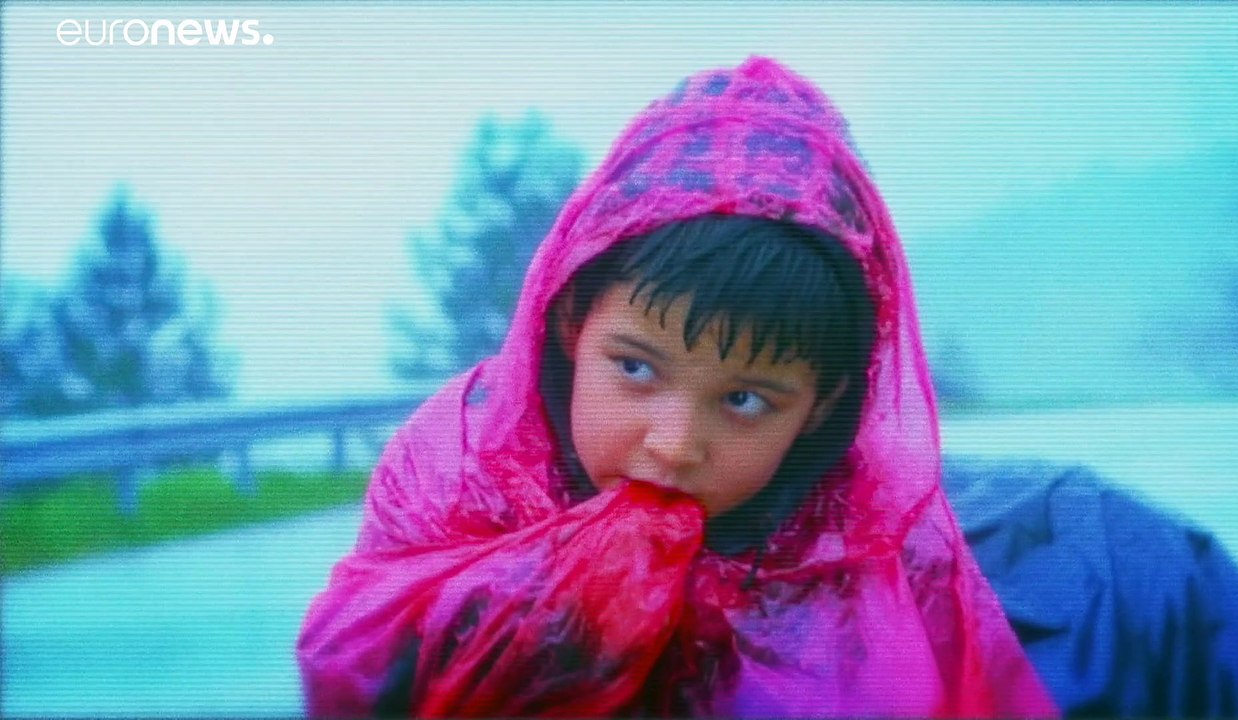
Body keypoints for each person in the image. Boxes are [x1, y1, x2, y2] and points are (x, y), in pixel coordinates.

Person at [296, 55, 1060, 718]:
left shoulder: (860, 543)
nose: (674, 445)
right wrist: (548, 611)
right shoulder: (459, 467)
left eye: (744, 400)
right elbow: (355, 663)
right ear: (571, 322)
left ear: (820, 406)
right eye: (634, 369)